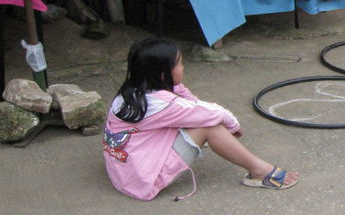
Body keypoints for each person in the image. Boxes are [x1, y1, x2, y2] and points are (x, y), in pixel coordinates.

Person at [103, 37, 299, 201]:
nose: (183, 67)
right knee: (212, 127)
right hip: (143, 181)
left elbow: (191, 104)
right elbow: (212, 113)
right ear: (163, 75)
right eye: (179, 64)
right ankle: (260, 171)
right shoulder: (165, 104)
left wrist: (177, 87)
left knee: (198, 118)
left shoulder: (129, 94)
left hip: (124, 172)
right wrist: (232, 126)